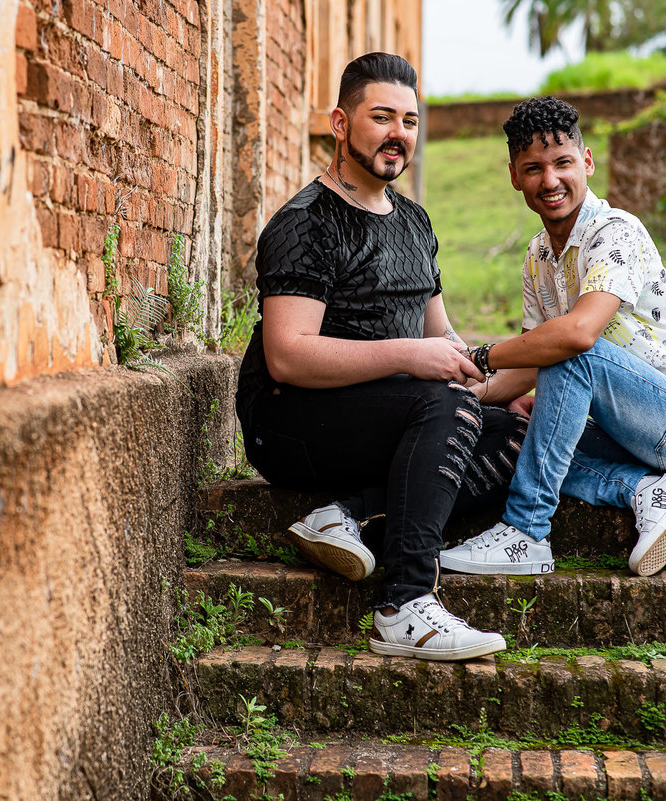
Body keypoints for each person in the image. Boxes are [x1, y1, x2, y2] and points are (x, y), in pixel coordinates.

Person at [234, 52, 530, 662]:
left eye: (411, 121)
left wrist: (498, 377)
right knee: (445, 406)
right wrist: (412, 357)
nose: (399, 134)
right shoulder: (305, 222)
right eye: (383, 117)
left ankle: (351, 517)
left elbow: (440, 338)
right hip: (291, 422)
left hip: (390, 413)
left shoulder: (415, 223)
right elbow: (288, 356)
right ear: (341, 125)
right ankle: (404, 602)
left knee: (520, 433)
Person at [438, 96, 666, 578]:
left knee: (571, 350)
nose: (550, 180)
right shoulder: (538, 257)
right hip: (630, 435)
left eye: (562, 163)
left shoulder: (615, 231)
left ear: (587, 162)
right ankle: (648, 491)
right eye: (533, 168)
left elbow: (576, 337)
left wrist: (481, 354)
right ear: (515, 176)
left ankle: (525, 532)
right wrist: (468, 396)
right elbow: (529, 365)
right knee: (517, 427)